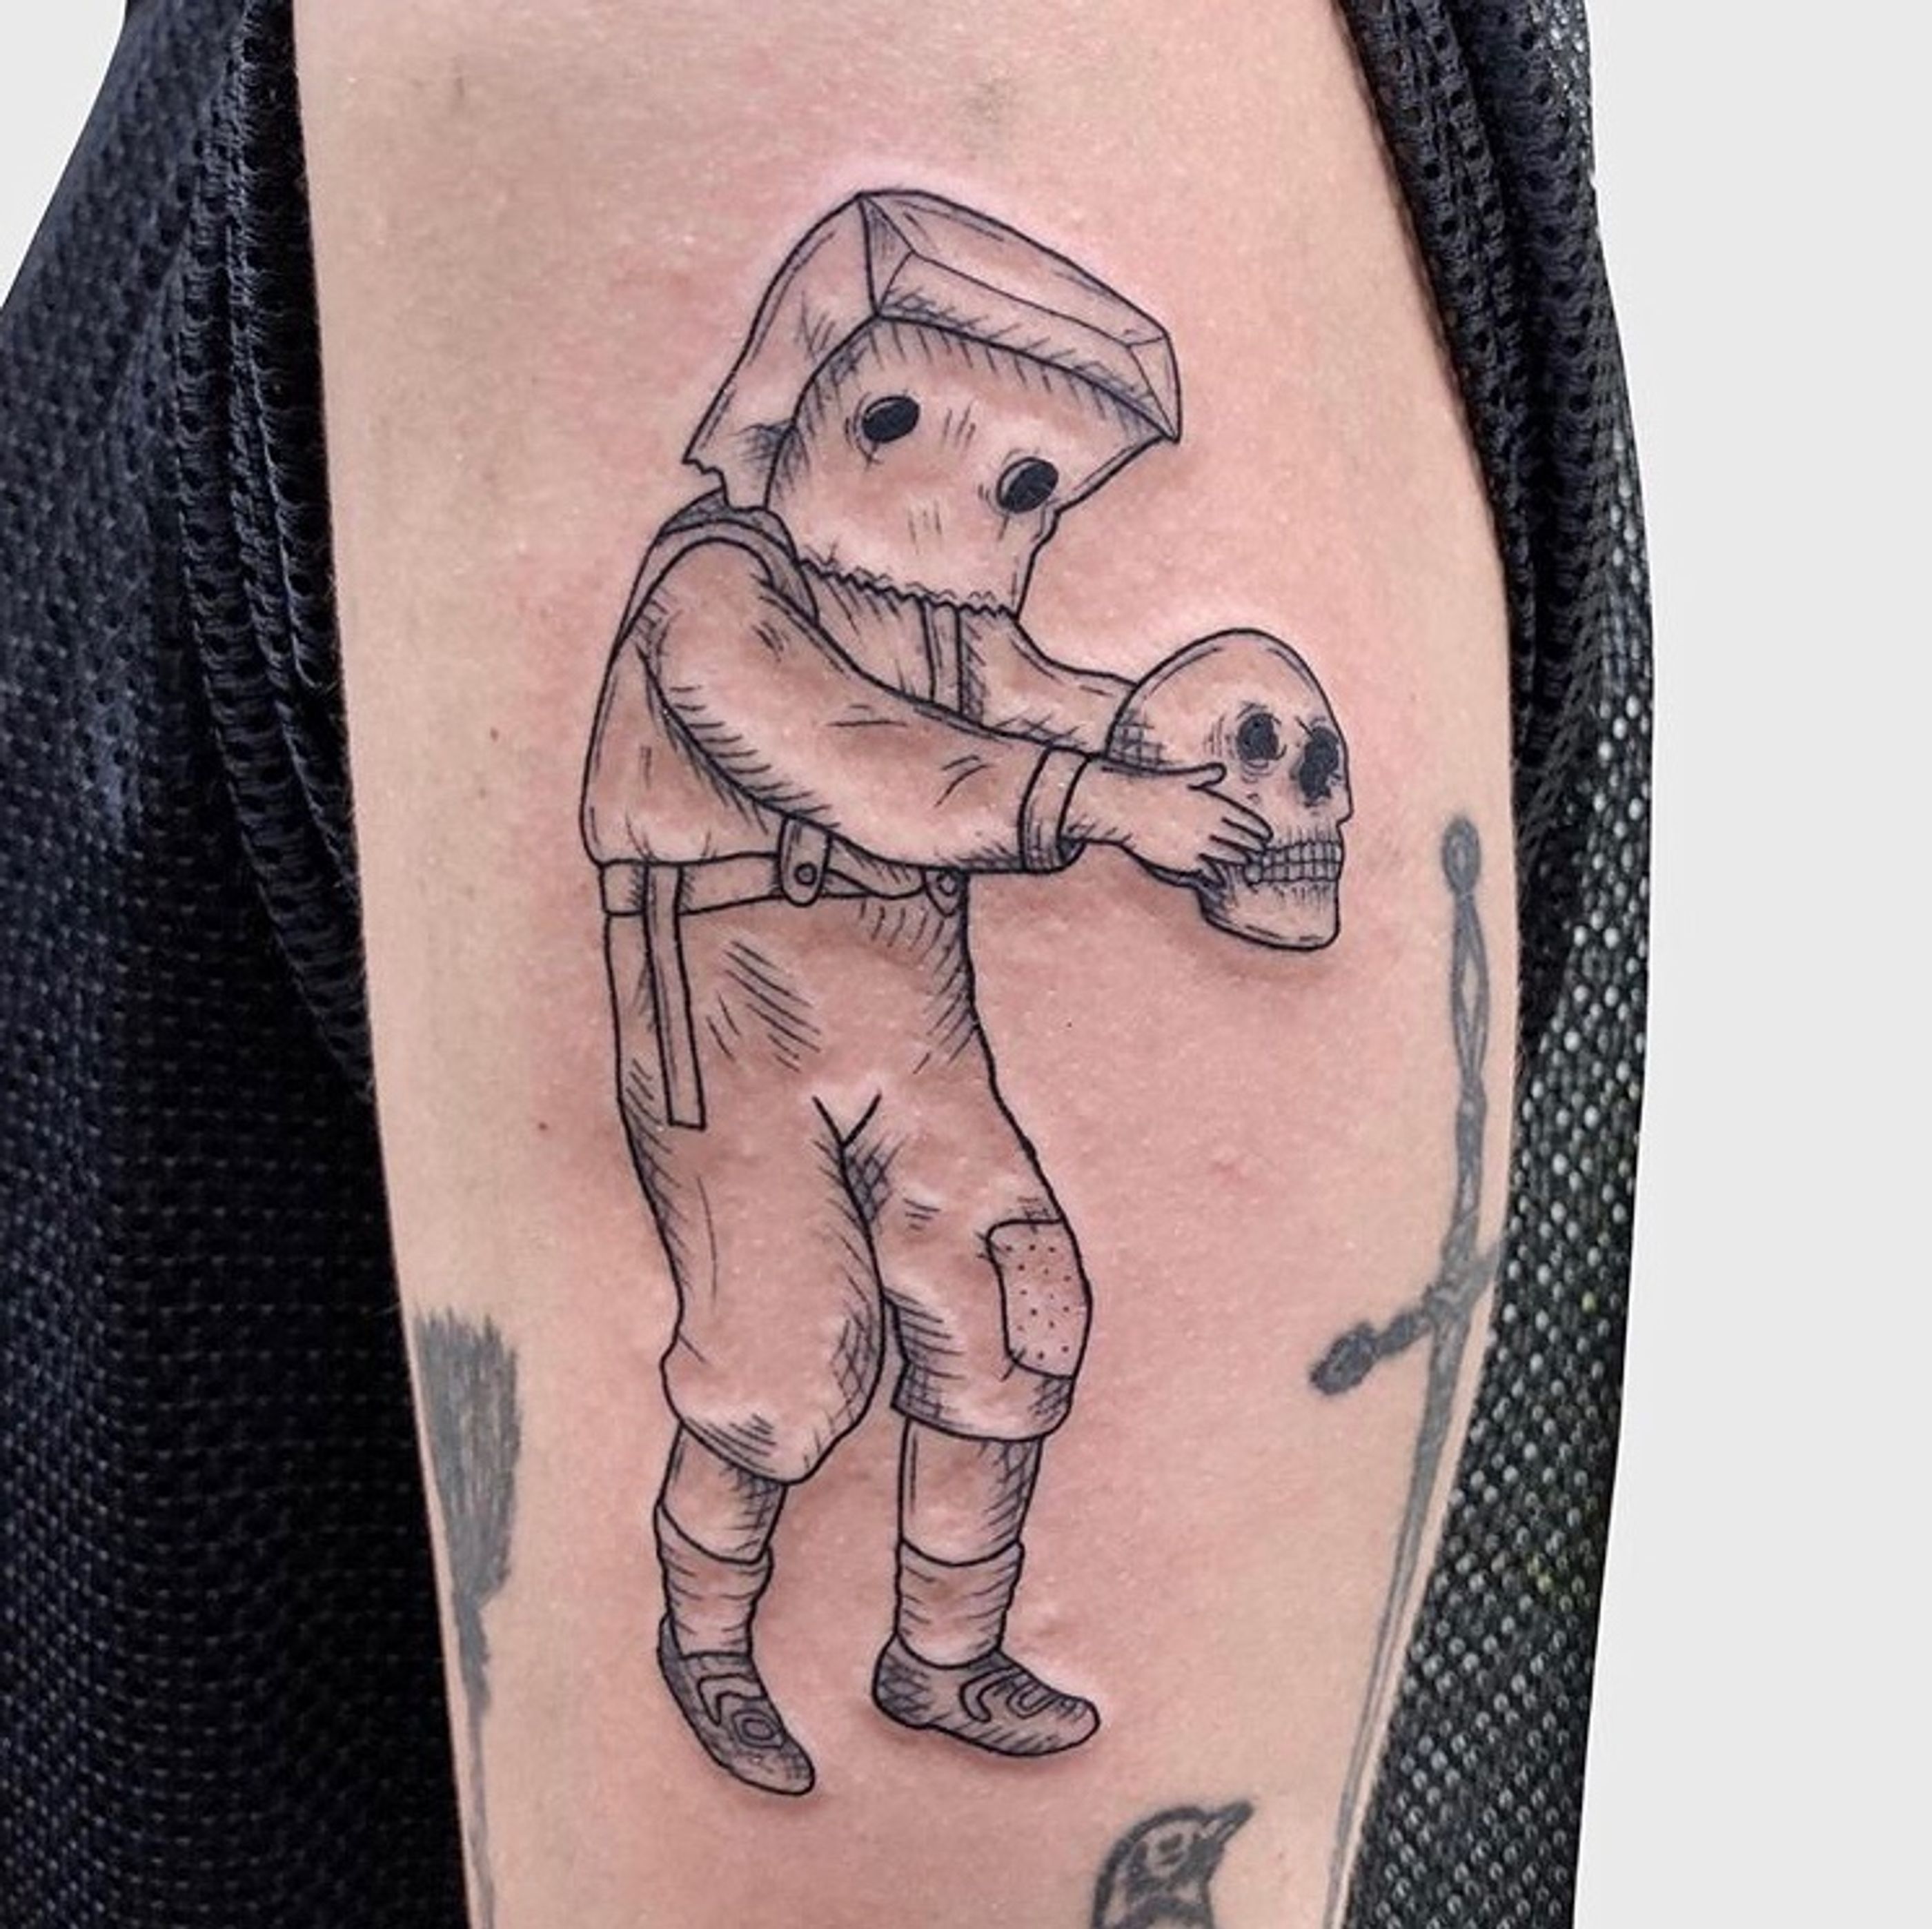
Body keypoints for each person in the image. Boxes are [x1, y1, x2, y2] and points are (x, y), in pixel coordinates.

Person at [0, 2, 1648, 1924]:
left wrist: (1184, 745)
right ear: (798, 400)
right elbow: (849, 759)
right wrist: (1104, 806)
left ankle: (943, 1648)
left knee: (1010, 1299)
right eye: (899, 425)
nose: (965, 501)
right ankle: (712, 1627)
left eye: (1026, 485)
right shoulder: (723, 587)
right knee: (784, 1364)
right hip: (731, 999)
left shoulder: (872, 134)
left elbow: (1040, 692)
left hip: (906, 995)